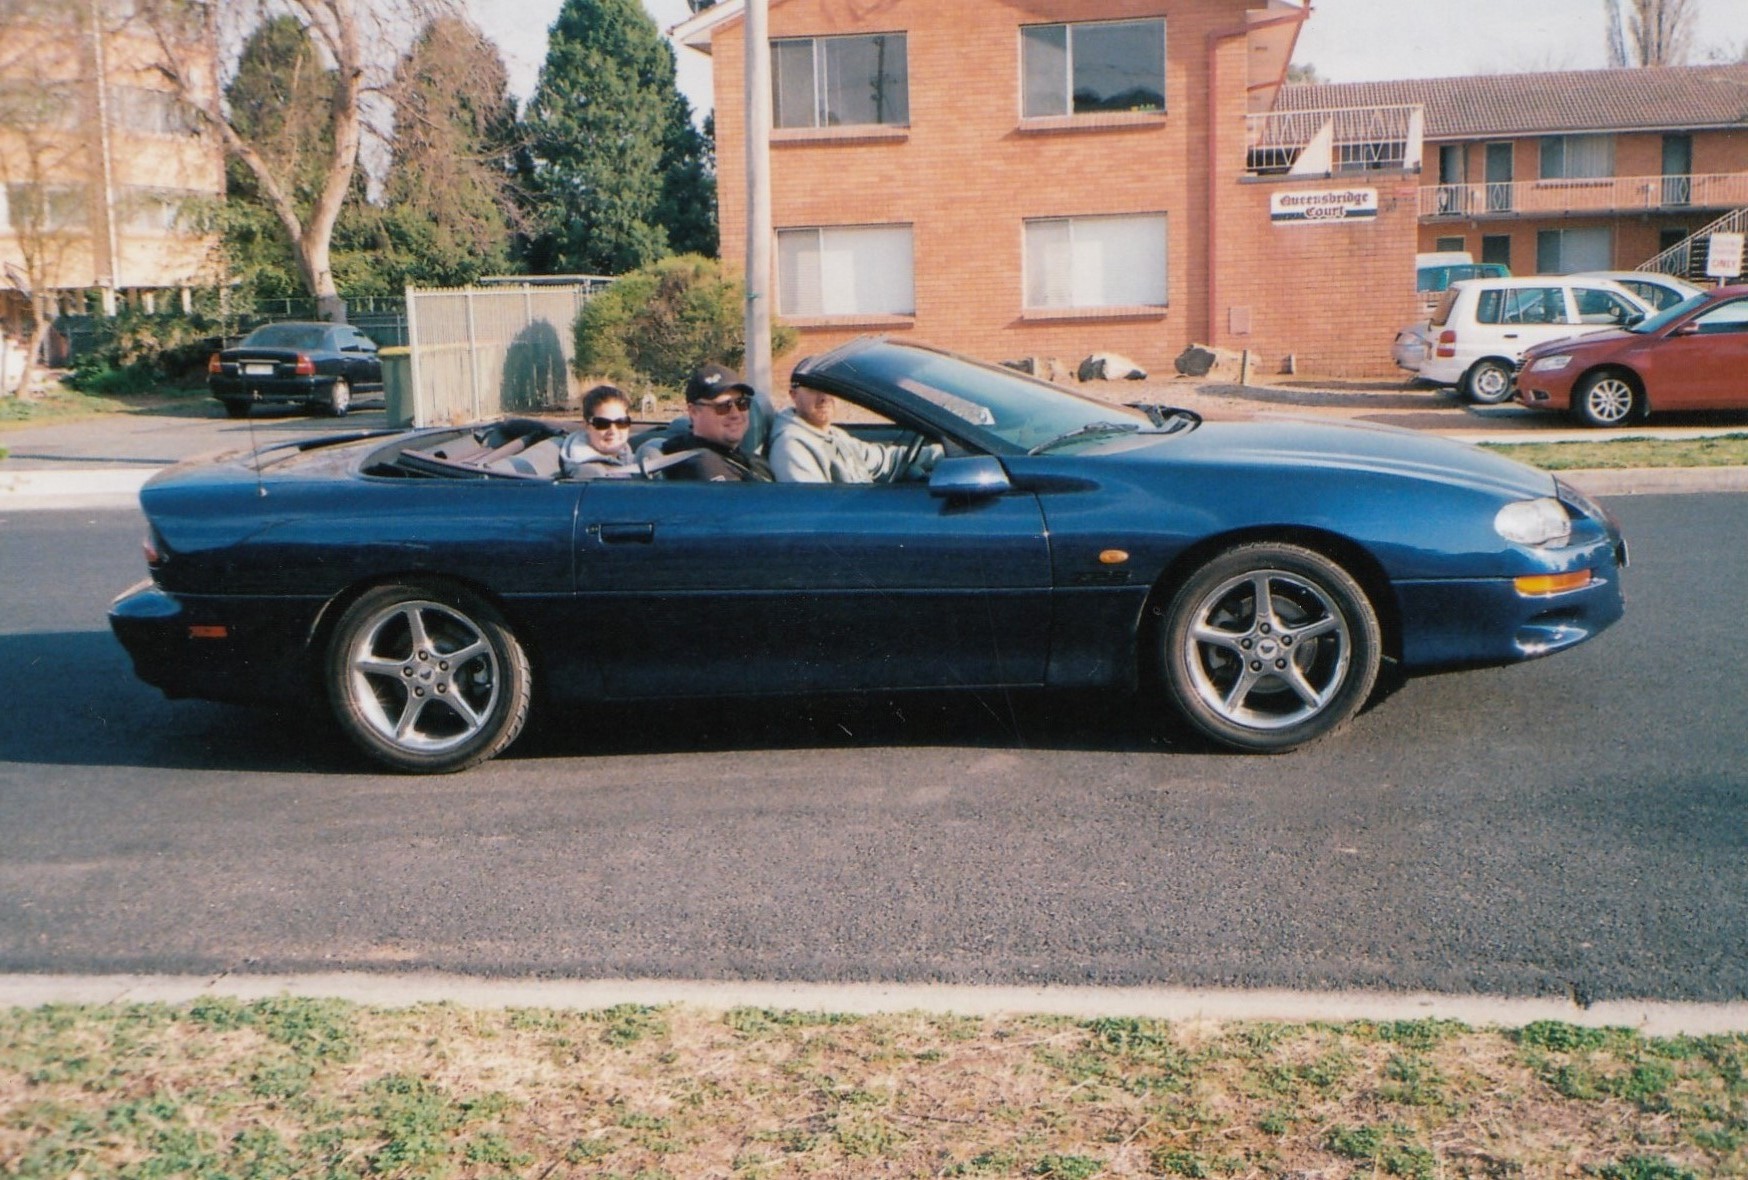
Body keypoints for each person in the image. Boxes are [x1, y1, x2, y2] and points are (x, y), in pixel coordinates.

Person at [768, 377, 941, 484]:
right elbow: (814, 510)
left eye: (830, 389)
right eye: (813, 389)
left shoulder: (833, 434)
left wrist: (940, 454)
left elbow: (884, 460)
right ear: (793, 395)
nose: (824, 397)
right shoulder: (791, 446)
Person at [660, 363, 775, 482]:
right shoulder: (701, 466)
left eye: (742, 403)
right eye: (723, 406)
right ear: (694, 412)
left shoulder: (750, 461)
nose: (735, 414)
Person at [560, 384, 637, 478]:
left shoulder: (627, 456)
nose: (613, 431)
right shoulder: (590, 474)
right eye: (602, 423)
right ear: (587, 425)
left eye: (621, 422)